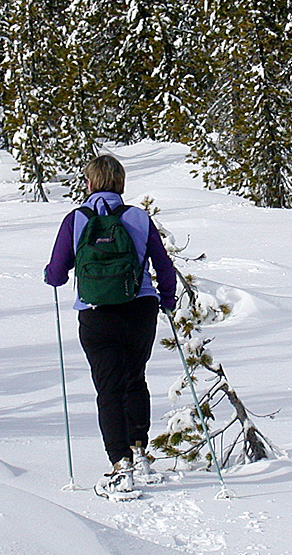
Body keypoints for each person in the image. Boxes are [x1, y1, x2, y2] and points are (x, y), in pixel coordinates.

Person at [44, 155, 177, 497]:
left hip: (96, 313)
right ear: (121, 183)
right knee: (135, 378)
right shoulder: (138, 217)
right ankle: (140, 452)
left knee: (108, 388)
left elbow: (57, 273)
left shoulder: (76, 219)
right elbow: (163, 266)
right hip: (140, 309)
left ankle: (120, 464)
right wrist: (167, 299)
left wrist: (50, 275)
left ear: (89, 183)